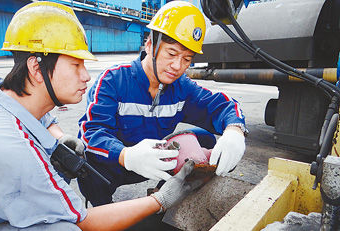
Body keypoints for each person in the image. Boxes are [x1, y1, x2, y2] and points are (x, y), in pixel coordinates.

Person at [0, 2, 199, 230]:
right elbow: (84, 222)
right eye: (76, 65)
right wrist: (161, 200)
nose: (86, 76)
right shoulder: (11, 147)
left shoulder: (4, 96)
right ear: (36, 68)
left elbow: (43, 120)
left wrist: (61, 138)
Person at [77, 0, 247, 207]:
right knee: (88, 163)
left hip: (158, 160)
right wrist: (126, 155)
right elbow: (92, 133)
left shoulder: (181, 87)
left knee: (206, 141)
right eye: (171, 54)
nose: (177, 66)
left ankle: (164, 193)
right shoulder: (113, 81)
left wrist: (235, 131)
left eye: (187, 59)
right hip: (119, 163)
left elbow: (220, 106)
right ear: (150, 45)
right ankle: (102, 210)